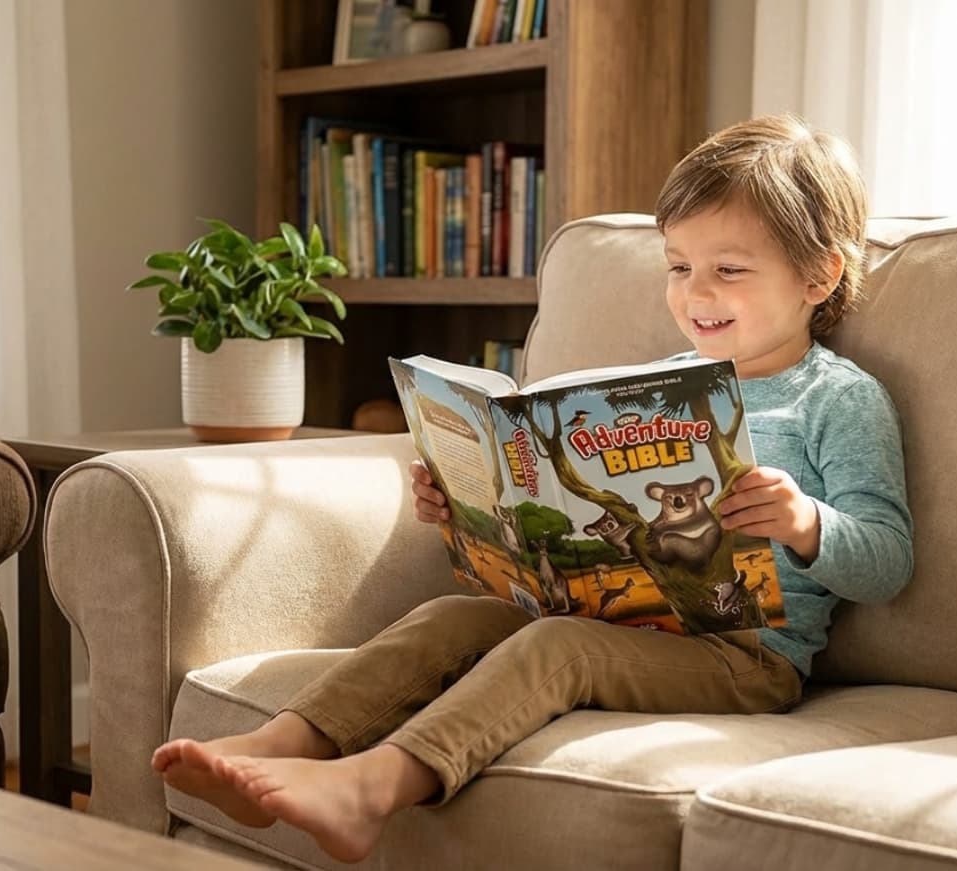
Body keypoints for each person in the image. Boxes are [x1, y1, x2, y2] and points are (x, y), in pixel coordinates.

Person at [150, 114, 914, 864]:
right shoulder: (655, 390)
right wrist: (467, 509)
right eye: (678, 266)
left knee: (559, 645)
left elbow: (886, 561)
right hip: (624, 615)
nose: (694, 292)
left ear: (819, 275)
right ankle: (273, 746)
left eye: (728, 269)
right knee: (450, 616)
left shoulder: (836, 400)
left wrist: (804, 521)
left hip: (742, 655)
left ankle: (368, 789)